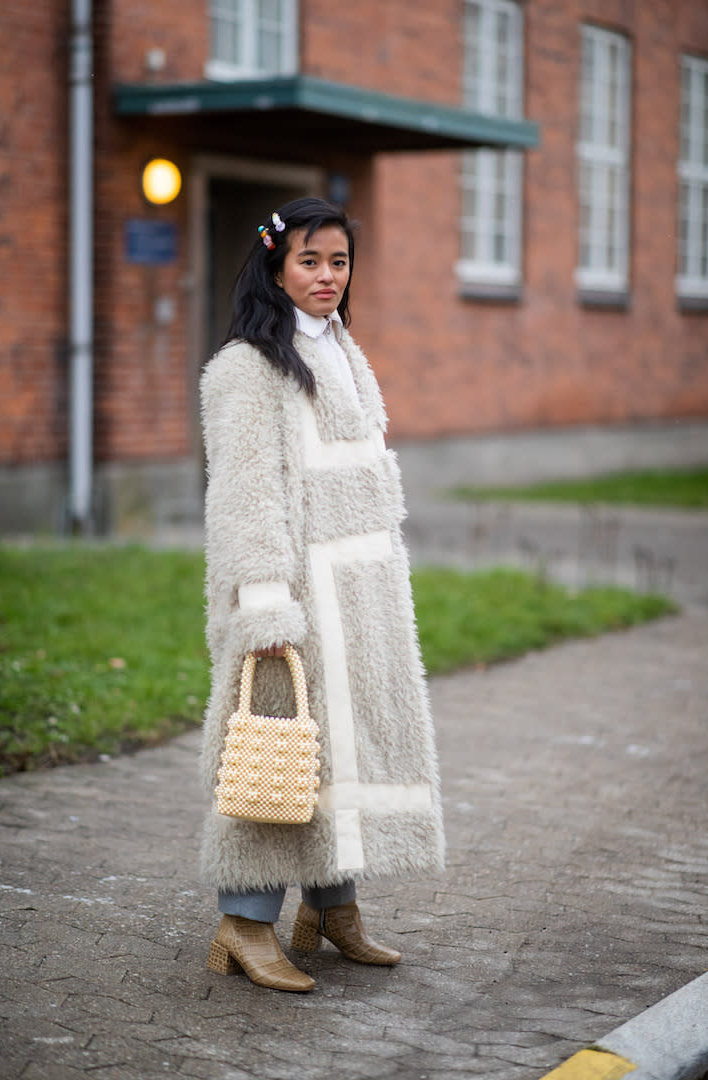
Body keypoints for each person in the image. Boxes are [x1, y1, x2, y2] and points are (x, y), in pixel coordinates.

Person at [200, 196, 444, 993]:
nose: (327, 276)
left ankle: (332, 910)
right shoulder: (246, 369)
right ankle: (244, 922)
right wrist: (266, 602)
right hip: (294, 590)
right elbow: (246, 494)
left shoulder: (344, 350)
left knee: (349, 745)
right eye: (310, 260)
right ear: (276, 267)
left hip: (363, 592)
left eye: (339, 261)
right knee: (277, 756)